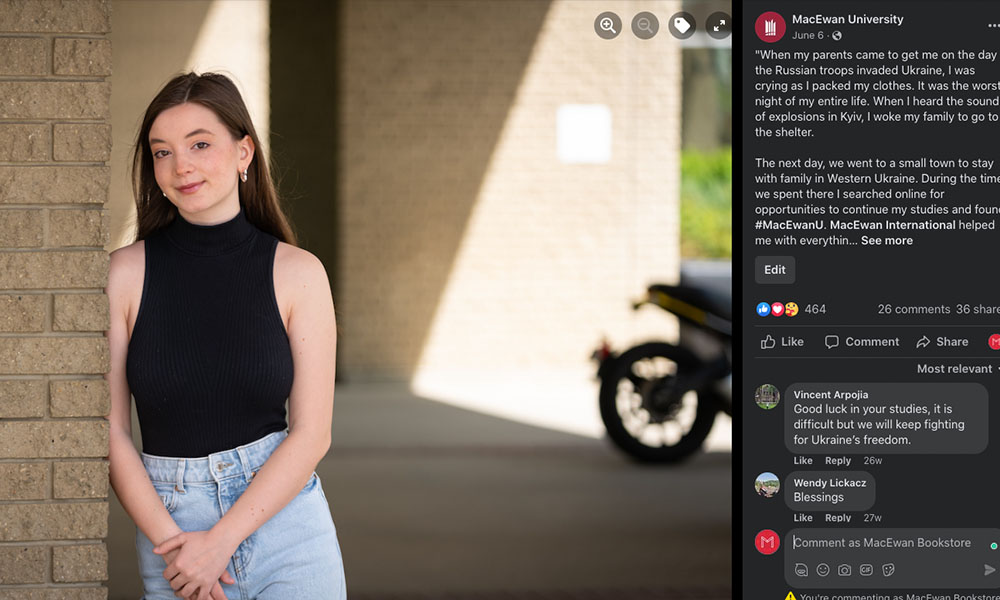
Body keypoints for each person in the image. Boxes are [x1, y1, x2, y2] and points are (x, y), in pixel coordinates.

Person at [104, 72, 346, 600]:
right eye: (161, 152)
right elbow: (111, 433)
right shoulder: (124, 275)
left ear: (244, 153)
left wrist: (222, 542)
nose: (180, 165)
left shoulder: (298, 273)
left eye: (199, 144)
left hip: (287, 530)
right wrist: (181, 546)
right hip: (173, 535)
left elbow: (312, 433)